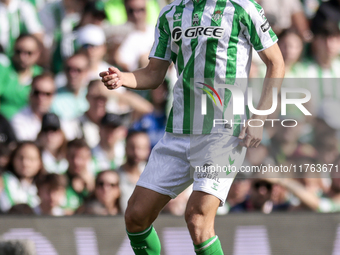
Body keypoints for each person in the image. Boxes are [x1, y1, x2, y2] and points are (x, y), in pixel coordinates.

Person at [100, 0, 285, 253]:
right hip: (178, 132)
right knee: (136, 216)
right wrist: (124, 78)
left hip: (222, 132)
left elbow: (276, 62)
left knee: (198, 219)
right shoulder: (170, 13)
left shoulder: (243, 8)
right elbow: (154, 74)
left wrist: (258, 118)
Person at [0, 34, 43, 120]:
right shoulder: (4, 68)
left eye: (29, 53)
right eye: (18, 52)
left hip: (28, 125)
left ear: (38, 54)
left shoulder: (41, 76)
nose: (22, 57)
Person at [0, 142, 45, 212]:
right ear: (13, 159)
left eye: (31, 159)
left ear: (40, 163)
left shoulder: (44, 185)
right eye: (21, 158)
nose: (25, 163)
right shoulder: (4, 180)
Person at [10, 73, 55, 141]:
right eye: (36, 92)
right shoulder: (18, 120)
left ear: (53, 96)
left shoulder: (60, 118)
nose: (41, 98)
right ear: (30, 93)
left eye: (47, 94)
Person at [118, 130, 150, 212]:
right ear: (125, 148)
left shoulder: (156, 176)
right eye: (132, 147)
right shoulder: (115, 177)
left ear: (148, 150)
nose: (136, 152)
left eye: (141, 148)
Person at [51, 52, 90, 120]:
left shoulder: (93, 95)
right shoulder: (53, 96)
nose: (72, 74)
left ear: (86, 72)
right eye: (68, 69)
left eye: (78, 70)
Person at [64, 138, 94, 212]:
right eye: (72, 157)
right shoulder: (58, 182)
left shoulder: (100, 183)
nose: (76, 162)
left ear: (88, 158)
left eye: (81, 157)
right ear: (66, 156)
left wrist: (91, 189)